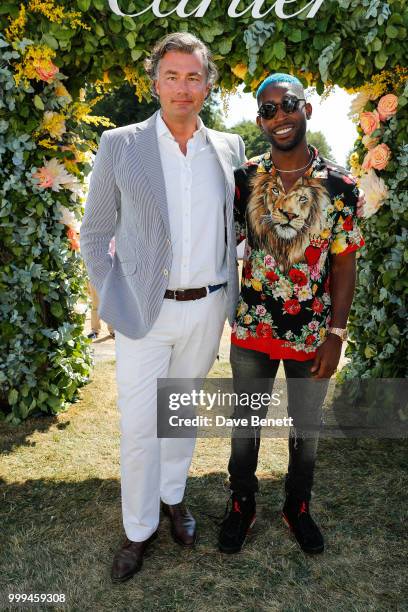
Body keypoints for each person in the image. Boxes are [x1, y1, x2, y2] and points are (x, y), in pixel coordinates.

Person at [80, 32, 245, 581]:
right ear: (155, 82)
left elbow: (234, 227)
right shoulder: (119, 143)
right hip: (141, 313)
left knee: (180, 413)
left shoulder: (228, 147)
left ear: (208, 84)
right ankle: (137, 529)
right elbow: (96, 230)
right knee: (139, 426)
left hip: (206, 308)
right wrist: (114, 296)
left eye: (193, 76)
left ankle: (174, 498)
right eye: (171, 76)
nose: (182, 87)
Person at [218, 73, 364, 555]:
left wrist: (336, 334)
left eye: (288, 105)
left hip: (312, 333)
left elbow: (345, 260)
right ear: (260, 119)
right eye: (268, 110)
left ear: (307, 110)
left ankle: (296, 506)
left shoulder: (340, 185)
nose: (279, 116)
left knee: (307, 430)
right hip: (253, 329)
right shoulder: (245, 179)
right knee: (245, 426)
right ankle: (242, 503)